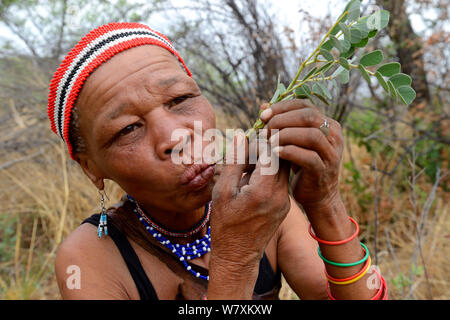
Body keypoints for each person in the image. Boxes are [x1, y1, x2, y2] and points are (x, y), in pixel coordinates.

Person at [50, 22, 387, 300]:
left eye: (181, 99)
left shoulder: (261, 203)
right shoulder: (89, 258)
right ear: (91, 167)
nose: (177, 137)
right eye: (127, 129)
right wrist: (236, 260)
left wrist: (325, 204)